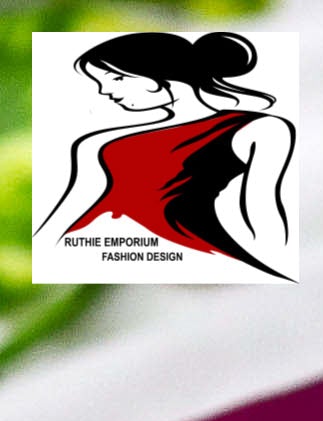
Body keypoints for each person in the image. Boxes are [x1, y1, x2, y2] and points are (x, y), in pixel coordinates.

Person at [39, 31, 294, 280]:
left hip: (188, 249)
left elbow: (262, 210)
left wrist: (264, 271)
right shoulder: (96, 142)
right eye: (99, 82)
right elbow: (68, 210)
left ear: (156, 75)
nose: (104, 91)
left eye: (115, 78)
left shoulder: (259, 129)